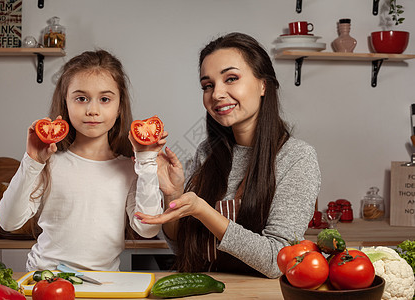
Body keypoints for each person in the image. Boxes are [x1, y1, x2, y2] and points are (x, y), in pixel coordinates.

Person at [135, 33, 321, 278]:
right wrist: (173, 193)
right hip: (207, 292)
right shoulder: (207, 154)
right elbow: (183, 249)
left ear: (263, 84)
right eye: (208, 85)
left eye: (231, 79)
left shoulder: (296, 158)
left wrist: (202, 210)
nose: (216, 94)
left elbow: (279, 260)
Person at [0, 50, 164, 272]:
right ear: (65, 103)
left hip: (104, 285)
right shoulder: (49, 163)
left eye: (104, 99)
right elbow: (8, 222)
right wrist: (32, 162)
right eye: (81, 98)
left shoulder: (130, 168)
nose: (92, 110)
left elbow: (148, 229)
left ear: (119, 107)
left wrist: (147, 162)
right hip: (45, 279)